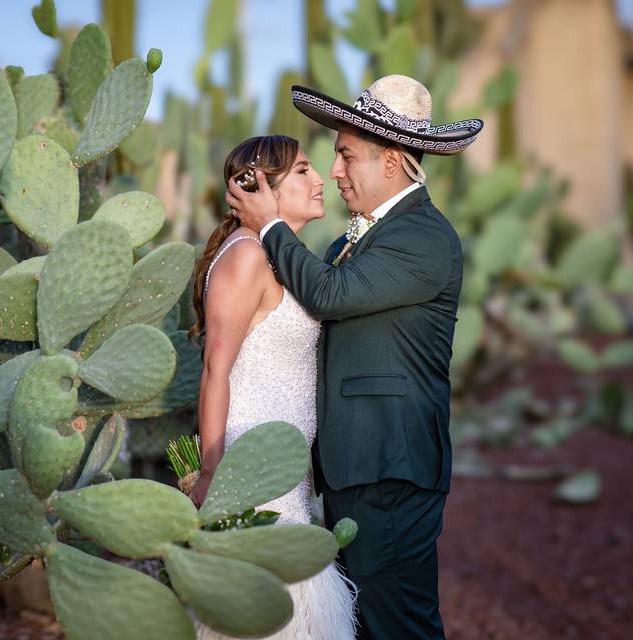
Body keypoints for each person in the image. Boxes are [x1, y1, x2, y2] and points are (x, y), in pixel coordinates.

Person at [227, 75, 483, 639]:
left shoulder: (424, 238)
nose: (334, 171)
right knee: (361, 624)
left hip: (390, 465)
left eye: (345, 155)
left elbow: (329, 295)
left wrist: (268, 224)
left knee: (399, 626)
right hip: (356, 467)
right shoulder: (355, 239)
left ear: (391, 162)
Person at [190, 134, 357, 640]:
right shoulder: (246, 256)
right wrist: (211, 476)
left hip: (284, 473)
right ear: (261, 187)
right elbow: (215, 369)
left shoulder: (276, 252)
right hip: (250, 465)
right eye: (303, 170)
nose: (320, 178)